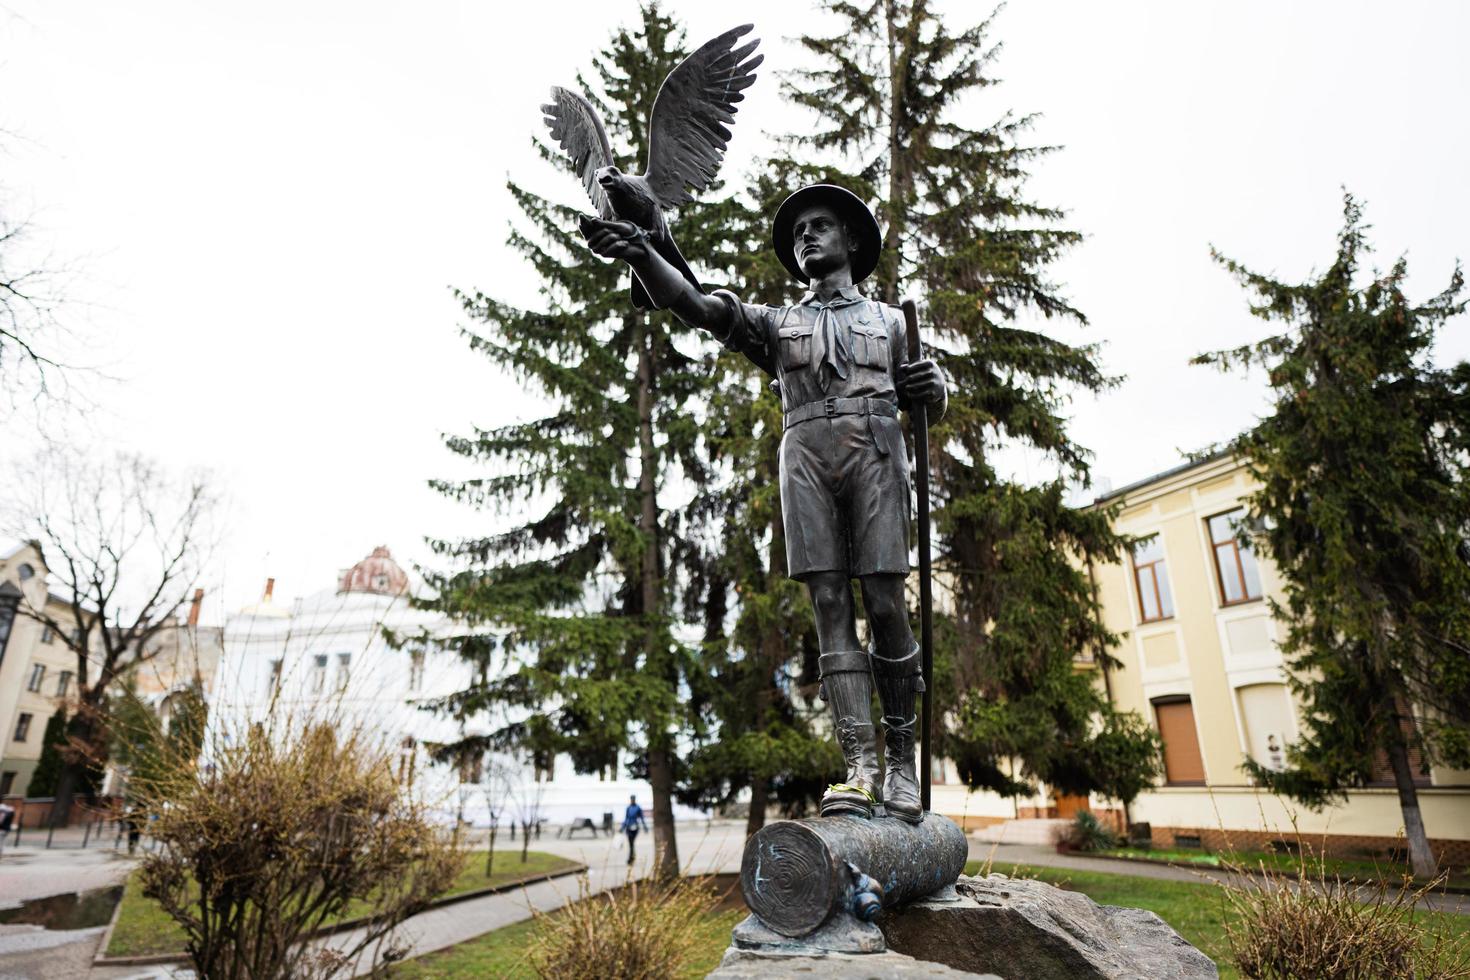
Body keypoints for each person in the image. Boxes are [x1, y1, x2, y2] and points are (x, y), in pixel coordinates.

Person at [581, 184, 947, 824]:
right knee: (830, 603)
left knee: (886, 602)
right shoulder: (777, 324)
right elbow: (694, 304)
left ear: (852, 241)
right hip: (804, 454)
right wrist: (642, 254)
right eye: (799, 228)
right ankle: (860, 766)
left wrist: (931, 387)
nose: (806, 235)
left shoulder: (892, 322)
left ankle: (901, 762)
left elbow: (926, 403)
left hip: (878, 452)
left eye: (820, 225)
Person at [621, 794, 648, 866]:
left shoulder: (638, 808)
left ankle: (631, 858)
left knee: (632, 843)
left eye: (633, 799)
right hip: (628, 827)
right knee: (631, 844)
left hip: (635, 828)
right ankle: (631, 857)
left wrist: (645, 827)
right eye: (631, 799)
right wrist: (622, 827)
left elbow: (642, 818)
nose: (632, 800)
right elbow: (626, 818)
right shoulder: (628, 808)